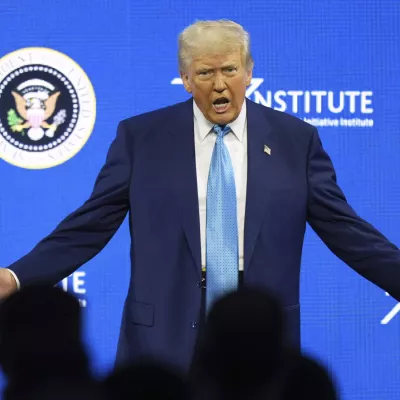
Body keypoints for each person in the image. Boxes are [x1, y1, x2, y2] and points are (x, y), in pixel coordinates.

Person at [1, 19, 400, 372]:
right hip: (163, 333)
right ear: (186, 78)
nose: (220, 83)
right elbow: (88, 226)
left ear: (249, 72)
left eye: (230, 69)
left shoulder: (296, 140)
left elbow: (346, 230)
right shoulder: (142, 138)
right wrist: (17, 277)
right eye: (206, 73)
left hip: (260, 329)